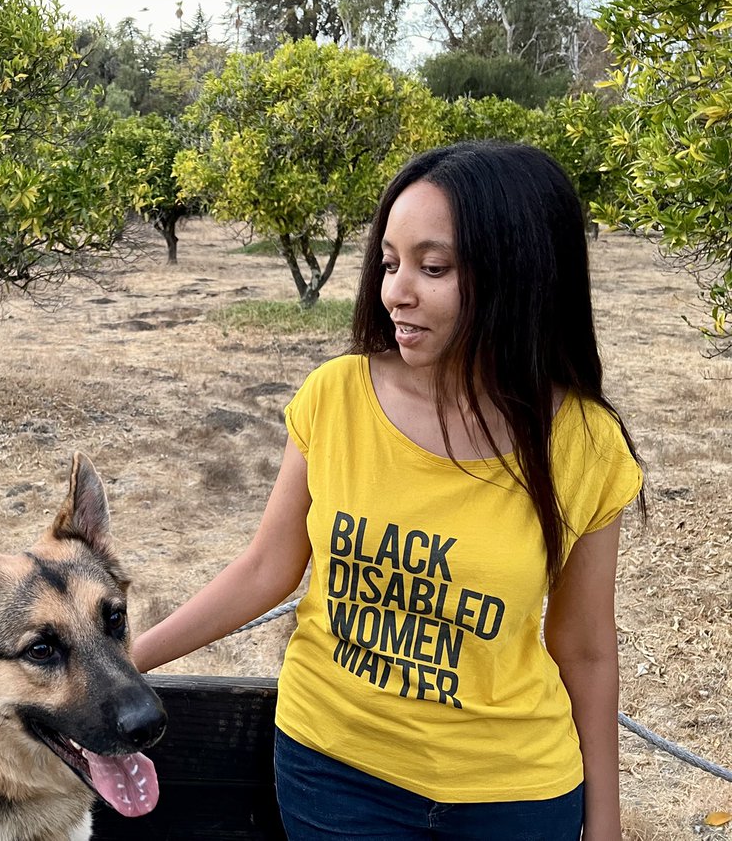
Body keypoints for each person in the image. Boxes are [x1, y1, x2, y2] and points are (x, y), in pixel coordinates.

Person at [131, 141, 645, 841]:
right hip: (336, 775)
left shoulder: (584, 444)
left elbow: (584, 647)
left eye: (433, 268)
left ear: (521, 273)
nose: (395, 291)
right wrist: (124, 664)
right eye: (390, 262)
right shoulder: (335, 397)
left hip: (514, 795)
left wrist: (605, 822)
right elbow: (265, 569)